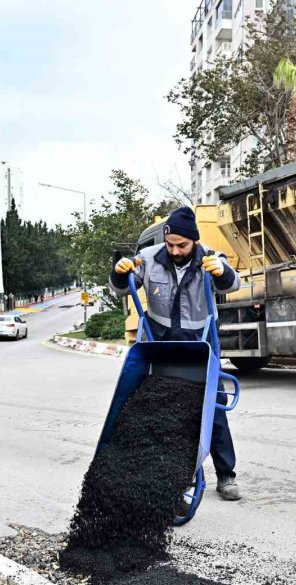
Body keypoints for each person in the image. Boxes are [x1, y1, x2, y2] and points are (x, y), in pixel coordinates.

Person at [108, 206, 243, 501]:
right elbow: (121, 287)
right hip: (162, 345)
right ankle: (169, 474)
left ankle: (226, 475)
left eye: (181, 245)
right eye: (171, 245)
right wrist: (119, 273)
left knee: (215, 408)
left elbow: (233, 282)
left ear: (193, 241)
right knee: (165, 413)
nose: (175, 250)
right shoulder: (149, 259)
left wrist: (222, 273)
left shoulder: (209, 256)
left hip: (200, 344)